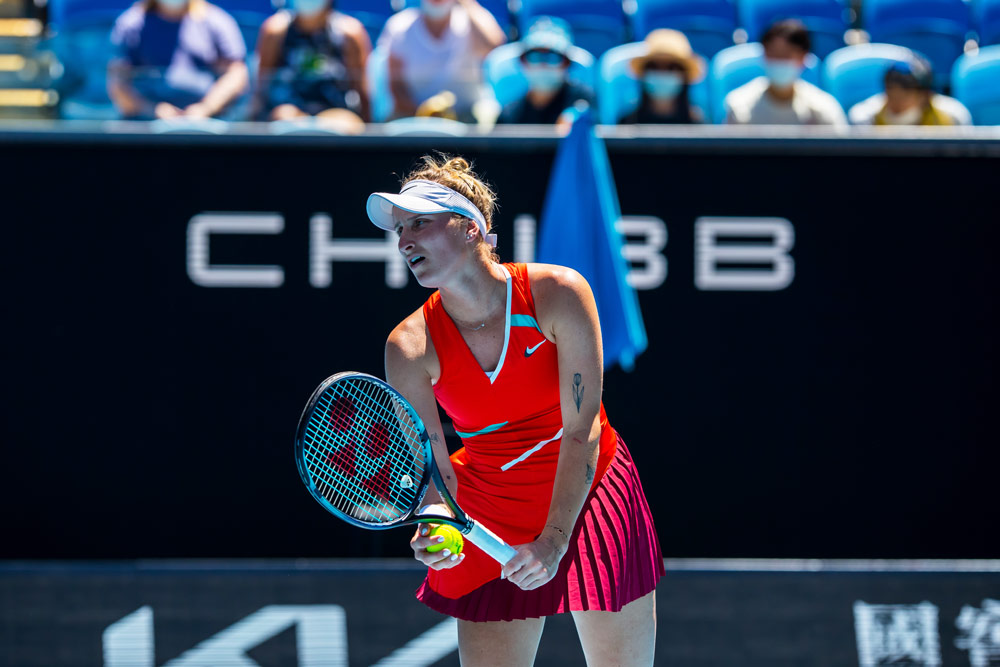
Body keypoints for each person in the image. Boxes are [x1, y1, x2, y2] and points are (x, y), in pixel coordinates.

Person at [366, 156, 664, 666]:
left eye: (419, 223)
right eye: (399, 230)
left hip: (589, 485)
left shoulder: (559, 293)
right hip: (490, 503)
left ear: (471, 229)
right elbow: (433, 467)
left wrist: (553, 539)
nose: (404, 242)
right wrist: (435, 521)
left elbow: (581, 429)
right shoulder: (409, 345)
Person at [108, 0, 248, 120]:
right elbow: (117, 83)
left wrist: (206, 108)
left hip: (209, 124)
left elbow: (236, 74)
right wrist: (152, 110)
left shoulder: (217, 21)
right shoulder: (131, 23)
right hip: (144, 126)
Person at [378, 0, 506, 121]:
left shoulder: (472, 23)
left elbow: (494, 46)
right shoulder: (399, 26)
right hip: (413, 120)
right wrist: (425, 115)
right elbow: (397, 88)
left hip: (468, 120)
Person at [253, 0, 371, 124]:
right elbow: (262, 87)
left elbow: (362, 90)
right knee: (283, 116)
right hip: (287, 113)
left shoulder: (350, 33)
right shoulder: (275, 31)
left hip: (336, 113)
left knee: (346, 123)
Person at [724, 20, 846, 126]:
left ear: (803, 58)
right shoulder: (739, 107)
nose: (779, 61)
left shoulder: (824, 110)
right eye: (773, 54)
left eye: (786, 56)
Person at [496, 17, 593, 126]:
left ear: (566, 63)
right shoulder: (509, 114)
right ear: (523, 61)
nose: (543, 65)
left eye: (552, 57)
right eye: (534, 57)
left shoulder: (585, 100)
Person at [848, 56, 972, 126]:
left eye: (905, 92)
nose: (895, 97)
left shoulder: (953, 117)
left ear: (925, 96)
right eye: (890, 89)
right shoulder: (865, 118)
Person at [620, 28, 704, 125]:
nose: (662, 73)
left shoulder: (699, 126)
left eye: (671, 67)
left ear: (684, 76)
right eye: (654, 67)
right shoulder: (627, 124)